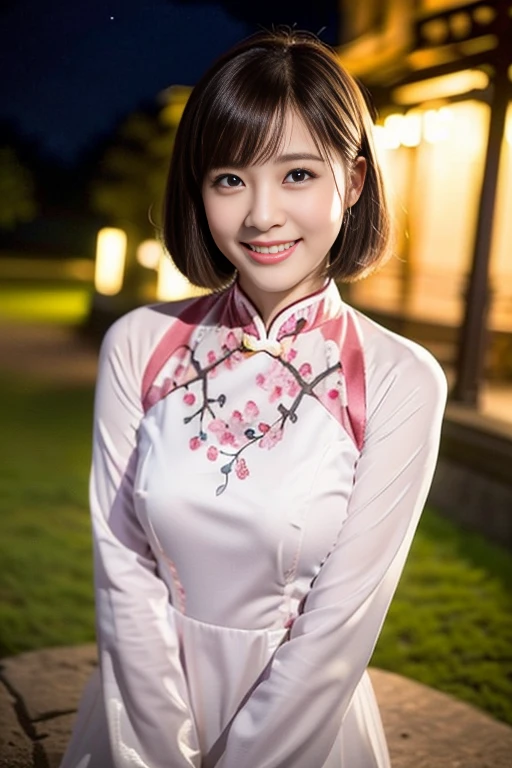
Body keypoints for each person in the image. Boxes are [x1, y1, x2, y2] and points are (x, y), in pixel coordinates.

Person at [60, 28, 447, 768]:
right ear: (199, 190)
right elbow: (123, 570)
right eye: (230, 179)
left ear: (354, 181)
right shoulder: (141, 345)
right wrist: (156, 752)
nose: (261, 214)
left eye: (298, 174)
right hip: (135, 718)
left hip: (304, 733)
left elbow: (340, 627)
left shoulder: (399, 378)